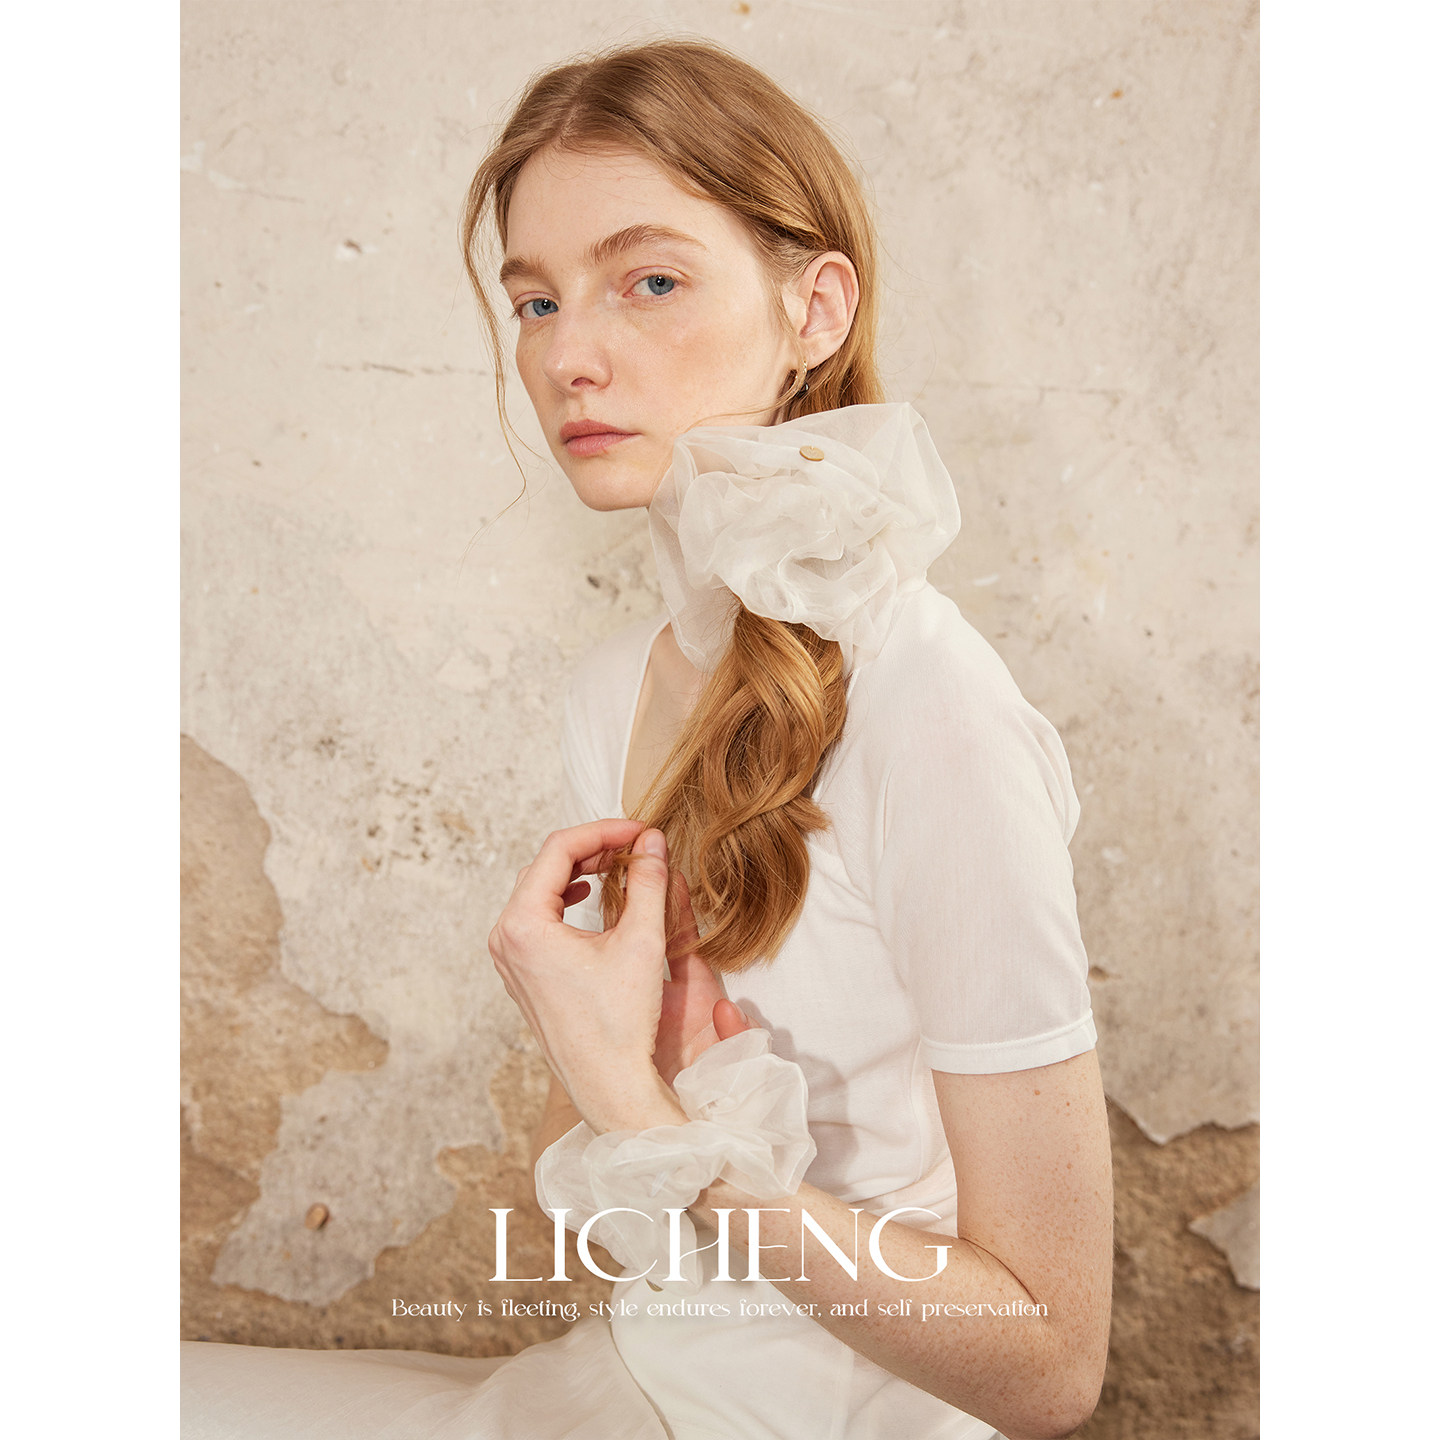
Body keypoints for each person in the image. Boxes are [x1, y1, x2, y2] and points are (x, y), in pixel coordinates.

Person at [181, 37, 1113, 1440]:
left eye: (651, 281)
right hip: (636, 1376)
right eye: (535, 300)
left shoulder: (933, 706)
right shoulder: (613, 689)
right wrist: (611, 1076)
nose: (568, 354)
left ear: (814, 310)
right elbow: (625, 1210)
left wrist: (640, 1102)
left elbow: (1048, 1369)